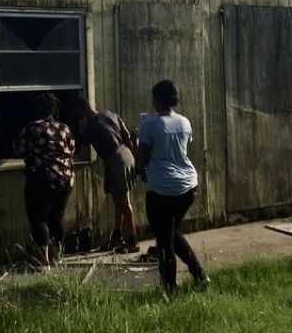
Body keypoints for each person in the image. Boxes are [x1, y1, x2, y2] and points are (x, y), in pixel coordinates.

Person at [136, 79, 209, 293]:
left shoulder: (150, 125)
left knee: (165, 239)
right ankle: (199, 276)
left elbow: (141, 160)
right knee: (171, 233)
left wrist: (136, 140)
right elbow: (180, 148)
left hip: (162, 189)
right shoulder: (184, 122)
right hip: (187, 186)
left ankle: (170, 288)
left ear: (157, 100)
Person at [68, 95, 139, 253]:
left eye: (75, 112)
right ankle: (117, 237)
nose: (76, 116)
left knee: (123, 200)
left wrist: (72, 126)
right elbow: (126, 133)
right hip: (125, 154)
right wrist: (134, 154)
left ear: (82, 109)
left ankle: (132, 239)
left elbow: (78, 140)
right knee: (118, 199)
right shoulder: (109, 113)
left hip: (115, 160)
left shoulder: (92, 128)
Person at [13, 92, 75, 267]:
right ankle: (58, 257)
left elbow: (19, 149)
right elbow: (72, 148)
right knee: (56, 219)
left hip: (42, 179)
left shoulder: (32, 128)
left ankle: (42, 259)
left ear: (37, 110)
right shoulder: (65, 128)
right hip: (66, 180)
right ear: (54, 111)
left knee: (38, 218)